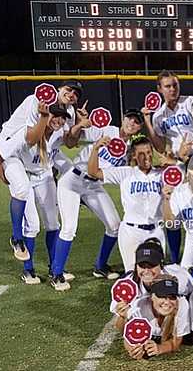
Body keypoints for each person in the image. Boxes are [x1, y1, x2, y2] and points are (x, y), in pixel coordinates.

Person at [0, 80, 83, 261]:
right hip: (10, 144)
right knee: (22, 189)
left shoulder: (68, 112)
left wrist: (78, 125)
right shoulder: (37, 101)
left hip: (34, 153)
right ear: (59, 88)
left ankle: (55, 268)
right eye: (69, 90)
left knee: (52, 218)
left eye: (76, 94)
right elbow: (30, 139)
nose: (71, 95)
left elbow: (69, 142)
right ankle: (17, 238)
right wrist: (2, 176)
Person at [50, 109, 143, 291]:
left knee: (115, 225)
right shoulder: (107, 130)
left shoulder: (132, 147)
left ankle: (100, 266)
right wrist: (80, 123)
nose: (131, 123)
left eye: (136, 122)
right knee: (69, 228)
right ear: (123, 118)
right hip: (73, 180)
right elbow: (75, 137)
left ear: (139, 127)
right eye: (129, 119)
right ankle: (56, 273)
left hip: (94, 186)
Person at [0, 102, 72, 284]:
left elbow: (67, 146)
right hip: (25, 174)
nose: (58, 120)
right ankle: (28, 269)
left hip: (44, 175)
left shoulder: (58, 134)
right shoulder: (28, 132)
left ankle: (54, 268)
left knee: (53, 222)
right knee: (33, 225)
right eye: (54, 115)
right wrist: (3, 177)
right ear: (45, 115)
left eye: (62, 117)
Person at [88, 136, 166, 273]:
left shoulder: (162, 174)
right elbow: (93, 172)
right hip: (131, 231)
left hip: (156, 231)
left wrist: (172, 162)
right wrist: (95, 149)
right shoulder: (126, 173)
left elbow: (189, 176)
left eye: (149, 152)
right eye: (141, 154)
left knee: (156, 274)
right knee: (132, 273)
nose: (147, 157)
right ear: (134, 156)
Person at [143, 70, 193, 264]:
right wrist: (148, 121)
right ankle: (174, 260)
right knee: (172, 212)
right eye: (168, 86)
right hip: (176, 165)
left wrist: (189, 145)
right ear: (159, 89)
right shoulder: (158, 115)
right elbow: (159, 145)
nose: (172, 89)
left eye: (175, 85)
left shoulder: (189, 102)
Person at [110, 238, 193, 316]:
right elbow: (115, 309)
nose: (146, 271)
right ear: (136, 266)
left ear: (161, 265)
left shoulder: (178, 276)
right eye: (142, 265)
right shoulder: (126, 285)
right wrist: (122, 311)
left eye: (151, 265)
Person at [115, 274, 190, 359]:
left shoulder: (182, 305)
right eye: (161, 296)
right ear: (151, 296)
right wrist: (133, 349)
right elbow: (127, 336)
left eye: (172, 297)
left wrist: (160, 348)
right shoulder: (139, 307)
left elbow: (176, 342)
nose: (167, 302)